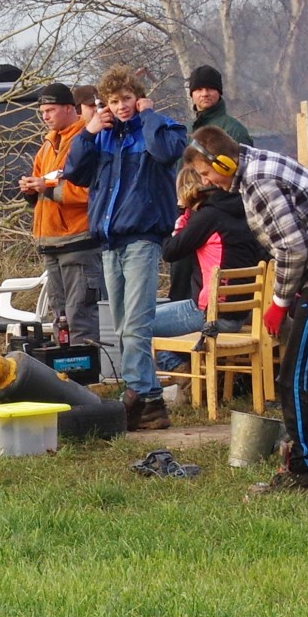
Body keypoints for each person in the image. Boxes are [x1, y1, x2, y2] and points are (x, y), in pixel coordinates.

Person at [184, 130, 308, 493]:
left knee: (297, 376)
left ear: (224, 163)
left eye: (206, 173)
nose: (205, 181)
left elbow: (291, 249)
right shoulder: (258, 166)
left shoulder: (258, 181)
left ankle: (303, 473)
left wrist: (279, 303)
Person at [62, 64, 189, 430]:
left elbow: (167, 152)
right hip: (109, 242)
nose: (121, 107)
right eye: (114, 101)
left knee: (136, 323)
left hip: (142, 240)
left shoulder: (160, 128)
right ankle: (150, 401)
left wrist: (149, 116)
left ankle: (139, 395)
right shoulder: (102, 136)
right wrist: (87, 133)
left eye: (127, 99)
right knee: (121, 326)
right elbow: (74, 172)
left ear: (139, 98)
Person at [19, 81, 102, 342]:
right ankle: (64, 378)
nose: (45, 116)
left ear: (69, 108)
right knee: (61, 319)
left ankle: (85, 378)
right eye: (42, 111)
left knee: (80, 316)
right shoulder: (46, 146)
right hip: (50, 243)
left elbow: (93, 192)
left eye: (51, 110)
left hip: (78, 241)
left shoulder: (86, 142)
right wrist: (30, 190)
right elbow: (40, 188)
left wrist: (47, 187)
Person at [154, 163, 269, 348]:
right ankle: (187, 366)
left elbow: (169, 251)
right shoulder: (244, 211)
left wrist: (181, 214)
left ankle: (177, 365)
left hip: (210, 316)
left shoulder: (208, 217)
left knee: (138, 325)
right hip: (240, 315)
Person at [188, 65, 254, 155]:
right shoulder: (185, 130)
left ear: (219, 92)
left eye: (210, 88)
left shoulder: (234, 130)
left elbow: (246, 166)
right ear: (192, 94)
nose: (204, 94)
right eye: (199, 90)